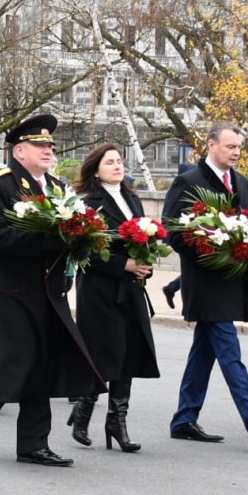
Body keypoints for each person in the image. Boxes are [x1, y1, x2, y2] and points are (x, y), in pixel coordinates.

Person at [0, 114, 102, 466]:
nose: (48, 150)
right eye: (39, 145)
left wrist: (81, 241)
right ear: (20, 150)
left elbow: (71, 233)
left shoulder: (57, 187)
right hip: (10, 290)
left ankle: (34, 444)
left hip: (49, 291)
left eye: (50, 145)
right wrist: (45, 242)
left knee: (43, 363)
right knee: (17, 360)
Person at [162, 122, 248, 450]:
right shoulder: (189, 180)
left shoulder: (241, 182)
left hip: (231, 280)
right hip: (204, 282)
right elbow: (172, 232)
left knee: (203, 353)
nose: (236, 152)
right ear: (211, 145)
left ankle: (184, 419)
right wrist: (211, 246)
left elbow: (245, 224)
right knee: (230, 353)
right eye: (231, 146)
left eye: (239, 147)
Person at [71, 144, 159, 451]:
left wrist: (145, 264)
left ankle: (116, 423)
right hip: (99, 289)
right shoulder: (87, 203)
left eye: (119, 161)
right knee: (104, 352)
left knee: (129, 353)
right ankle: (83, 410)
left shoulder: (132, 197)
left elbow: (143, 239)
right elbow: (81, 250)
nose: (117, 166)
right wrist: (123, 264)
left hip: (130, 288)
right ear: (96, 170)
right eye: (109, 162)